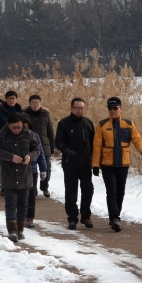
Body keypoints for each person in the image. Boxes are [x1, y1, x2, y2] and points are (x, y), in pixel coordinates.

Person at [92, 96, 142, 232]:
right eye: (110, 108)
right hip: (107, 164)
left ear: (120, 109)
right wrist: (95, 165)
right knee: (111, 191)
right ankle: (115, 217)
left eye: (115, 108)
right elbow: (97, 146)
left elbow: (136, 139)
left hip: (123, 163)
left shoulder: (128, 124)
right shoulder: (102, 125)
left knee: (120, 191)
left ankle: (114, 217)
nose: (112, 111)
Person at [0, 112, 40, 243]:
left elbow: (37, 149)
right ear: (9, 125)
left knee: (23, 204)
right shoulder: (2, 134)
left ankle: (21, 229)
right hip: (9, 174)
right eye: (14, 127)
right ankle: (12, 230)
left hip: (25, 174)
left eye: (19, 127)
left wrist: (30, 156)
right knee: (11, 204)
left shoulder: (29, 134)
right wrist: (10, 157)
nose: (17, 130)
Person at [55, 97, 95, 230]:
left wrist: (95, 163)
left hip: (85, 164)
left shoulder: (88, 123)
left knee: (88, 189)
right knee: (71, 191)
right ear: (71, 108)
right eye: (77, 108)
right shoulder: (64, 123)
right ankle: (72, 218)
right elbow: (58, 141)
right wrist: (66, 151)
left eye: (82, 108)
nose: (79, 110)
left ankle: (86, 216)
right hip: (70, 163)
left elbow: (94, 143)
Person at [24, 94, 56, 198]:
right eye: (33, 102)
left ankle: (44, 187)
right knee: (32, 169)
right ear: (29, 104)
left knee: (46, 167)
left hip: (44, 144)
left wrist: (52, 146)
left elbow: (50, 131)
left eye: (37, 102)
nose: (35, 104)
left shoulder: (45, 114)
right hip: (30, 146)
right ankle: (33, 189)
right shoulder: (25, 115)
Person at [23, 115, 48, 229]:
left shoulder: (35, 136)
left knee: (31, 196)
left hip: (32, 171)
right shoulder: (12, 137)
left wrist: (43, 169)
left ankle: (30, 218)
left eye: (25, 126)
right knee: (21, 196)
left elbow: (40, 153)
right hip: (18, 171)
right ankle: (21, 216)